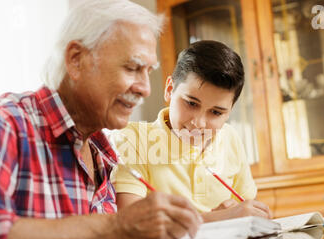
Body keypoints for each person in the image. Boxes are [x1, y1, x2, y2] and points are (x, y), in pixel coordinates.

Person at [0, 0, 202, 239]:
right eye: (132, 68)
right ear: (76, 59)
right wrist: (116, 228)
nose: (146, 89)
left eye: (148, 71)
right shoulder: (2, 123)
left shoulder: (104, 154)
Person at [112, 40, 272, 222]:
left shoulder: (230, 138)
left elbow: (250, 214)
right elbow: (130, 223)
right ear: (169, 90)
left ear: (229, 112)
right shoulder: (133, 139)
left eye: (216, 112)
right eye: (191, 103)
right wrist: (217, 218)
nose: (199, 123)